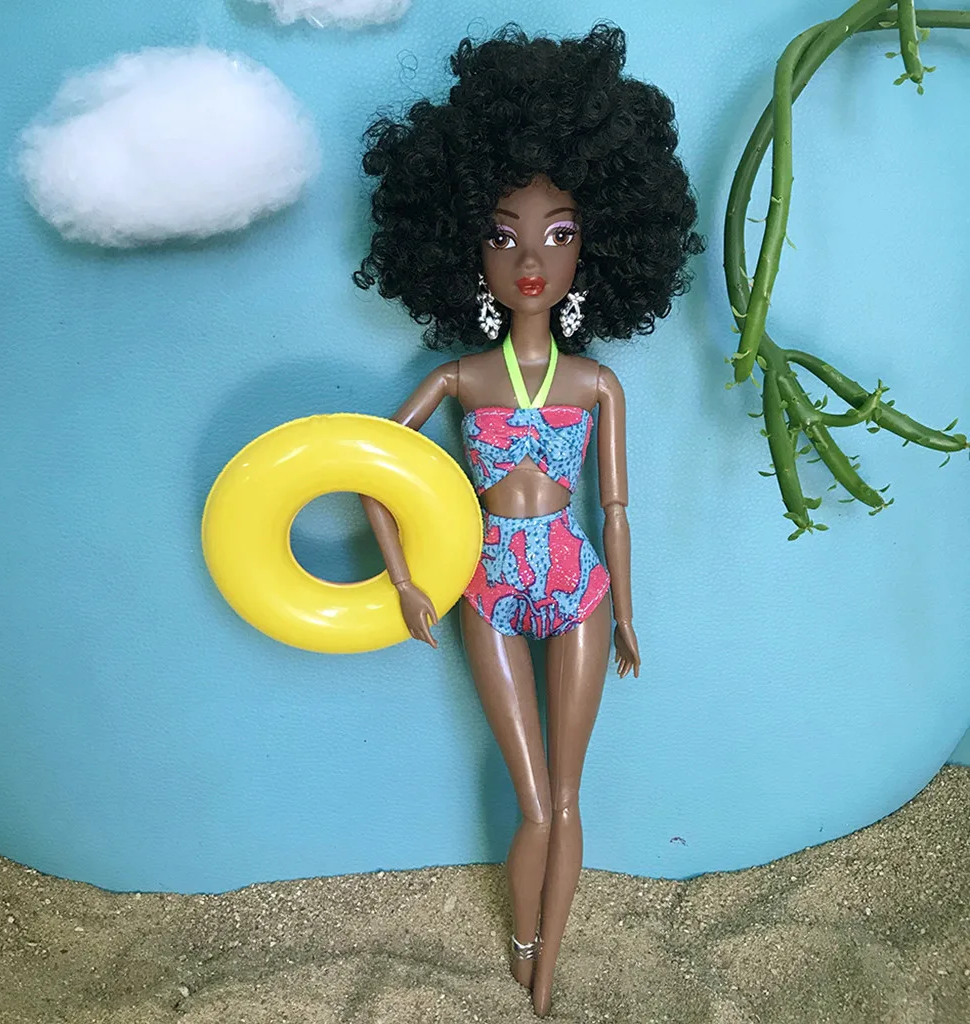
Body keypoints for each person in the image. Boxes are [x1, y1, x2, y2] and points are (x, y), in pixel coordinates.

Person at [353, 23, 702, 1015]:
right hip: (488, 584)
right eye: (504, 235)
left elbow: (615, 508)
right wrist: (404, 577)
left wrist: (625, 611)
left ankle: (548, 965)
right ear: (466, 243)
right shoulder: (461, 377)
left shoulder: (595, 384)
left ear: (598, 243)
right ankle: (523, 937)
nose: (532, 259)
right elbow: (371, 469)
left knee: (568, 793)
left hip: (578, 584)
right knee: (535, 798)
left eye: (560, 233)